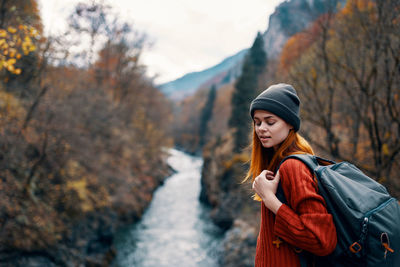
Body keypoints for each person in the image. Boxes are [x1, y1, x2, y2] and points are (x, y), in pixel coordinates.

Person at [245, 83, 337, 266]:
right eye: (257, 122)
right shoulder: (276, 163)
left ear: (290, 124)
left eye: (270, 122)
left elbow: (322, 240)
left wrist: (270, 200)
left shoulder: (293, 167)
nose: (261, 128)